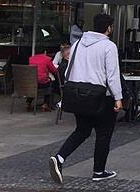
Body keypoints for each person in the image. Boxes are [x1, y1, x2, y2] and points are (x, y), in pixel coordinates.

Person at [49, 14, 123, 184]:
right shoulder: (108, 46)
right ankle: (99, 171)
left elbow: (68, 71)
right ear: (109, 28)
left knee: (82, 131)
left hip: (78, 95)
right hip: (101, 96)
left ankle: (59, 158)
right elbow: (112, 75)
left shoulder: (77, 45)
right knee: (104, 133)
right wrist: (118, 98)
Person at [27, 47, 59, 111]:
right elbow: (53, 70)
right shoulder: (47, 59)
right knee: (51, 84)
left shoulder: (31, 59)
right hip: (42, 82)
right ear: (45, 52)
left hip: (32, 81)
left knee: (34, 86)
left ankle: (28, 102)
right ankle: (46, 104)